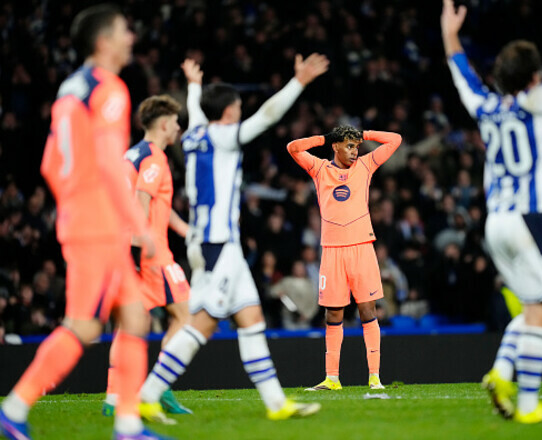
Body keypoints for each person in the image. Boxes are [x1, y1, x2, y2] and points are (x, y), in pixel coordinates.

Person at [0, 4, 170, 440]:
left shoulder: (71, 87)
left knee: (134, 317)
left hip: (84, 217)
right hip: (99, 224)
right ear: (103, 41)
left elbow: (49, 163)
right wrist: (138, 225)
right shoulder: (109, 88)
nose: (131, 38)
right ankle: (14, 408)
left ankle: (128, 425)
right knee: (84, 325)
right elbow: (111, 165)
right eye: (124, 31)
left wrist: (74, 203)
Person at [138, 54, 328, 422]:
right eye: (238, 107)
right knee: (204, 322)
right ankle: (148, 395)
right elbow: (268, 116)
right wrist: (298, 83)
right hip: (217, 244)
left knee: (251, 317)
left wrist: (194, 85)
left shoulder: (194, 133)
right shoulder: (223, 136)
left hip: (220, 244)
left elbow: (197, 110)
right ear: (228, 112)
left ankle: (276, 403)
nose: (241, 112)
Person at [441, 0, 542, 424]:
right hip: (532, 219)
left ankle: (501, 372)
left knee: (529, 303)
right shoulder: (538, 101)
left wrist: (450, 32)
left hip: (496, 222)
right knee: (541, 306)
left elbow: (462, 73)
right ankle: (528, 404)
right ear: (534, 77)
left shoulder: (484, 107)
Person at [287, 125, 402, 391]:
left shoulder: (365, 166)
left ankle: (375, 377)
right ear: (336, 146)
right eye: (349, 146)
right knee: (333, 314)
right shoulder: (319, 169)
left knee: (368, 310)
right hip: (332, 250)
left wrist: (365, 134)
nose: (354, 151)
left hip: (362, 247)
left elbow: (395, 140)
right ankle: (332, 378)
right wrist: (323, 138)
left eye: (356, 147)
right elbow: (293, 147)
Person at [103, 95, 192, 418]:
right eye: (176, 122)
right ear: (165, 124)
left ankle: (113, 398)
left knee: (130, 323)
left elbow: (154, 204)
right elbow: (142, 200)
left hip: (124, 247)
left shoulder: (132, 154)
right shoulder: (154, 158)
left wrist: (184, 229)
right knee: (186, 315)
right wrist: (141, 242)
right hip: (151, 252)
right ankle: (159, 387)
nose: (179, 128)